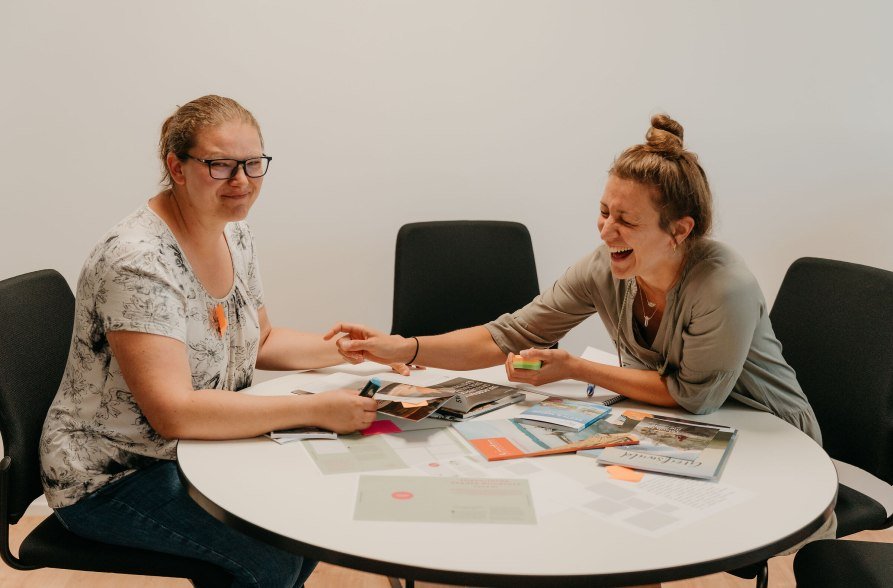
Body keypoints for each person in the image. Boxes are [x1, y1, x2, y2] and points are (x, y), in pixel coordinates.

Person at [39, 95, 382, 587]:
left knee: (303, 529)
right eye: (220, 165)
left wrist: (353, 353)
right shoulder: (137, 260)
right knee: (272, 560)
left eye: (253, 164)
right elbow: (174, 413)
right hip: (112, 476)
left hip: (195, 452)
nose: (241, 181)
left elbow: (259, 339)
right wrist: (316, 408)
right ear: (176, 167)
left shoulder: (233, 232)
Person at [326, 114, 823, 443]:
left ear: (679, 230)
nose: (607, 231)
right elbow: (509, 335)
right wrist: (405, 347)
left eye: (626, 221)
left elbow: (695, 398)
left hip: (769, 438)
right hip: (686, 430)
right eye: (603, 211)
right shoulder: (605, 268)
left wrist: (576, 369)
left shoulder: (722, 286)